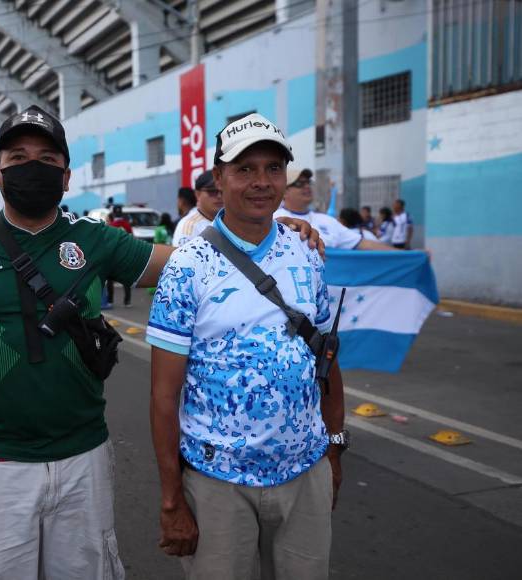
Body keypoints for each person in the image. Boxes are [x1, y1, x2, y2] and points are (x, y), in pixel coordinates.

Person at [0, 105, 323, 580]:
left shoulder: (94, 240)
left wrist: (276, 232)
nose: (32, 167)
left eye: (47, 159)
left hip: (84, 458)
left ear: (67, 176)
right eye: (18, 158)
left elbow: (195, 263)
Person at [148, 114, 347, 580]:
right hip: (217, 482)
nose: (261, 182)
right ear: (219, 177)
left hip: (306, 471)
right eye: (245, 169)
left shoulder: (307, 253)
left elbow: (327, 359)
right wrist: (172, 499)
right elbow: (162, 396)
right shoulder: (187, 266)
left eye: (273, 168)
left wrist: (334, 448)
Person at [275, 168, 397, 250]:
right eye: (299, 184)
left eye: (308, 183)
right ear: (284, 191)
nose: (306, 186)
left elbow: (362, 243)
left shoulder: (327, 221)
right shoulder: (273, 220)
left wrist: (408, 254)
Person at [172, 170, 223, 246]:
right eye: (212, 191)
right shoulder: (189, 228)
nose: (219, 196)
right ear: (198, 194)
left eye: (223, 191)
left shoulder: (233, 220)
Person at [107, 205, 134, 308]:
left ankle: (110, 301)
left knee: (110, 279)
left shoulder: (111, 225)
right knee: (126, 280)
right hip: (126, 255)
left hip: (114, 256)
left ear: (113, 214)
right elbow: (132, 240)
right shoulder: (127, 225)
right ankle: (127, 301)